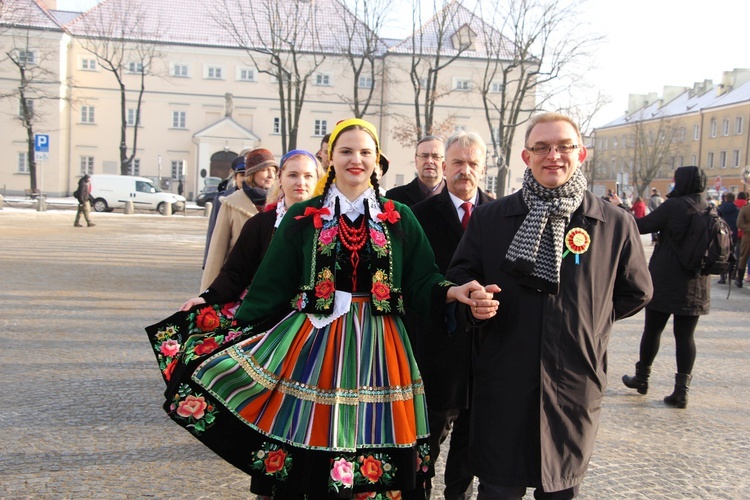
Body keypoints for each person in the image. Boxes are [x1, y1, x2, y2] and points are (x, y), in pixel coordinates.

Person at [147, 118, 498, 499]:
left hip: (381, 349)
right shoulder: (303, 217)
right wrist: (211, 302)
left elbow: (421, 280)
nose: (356, 160)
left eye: (365, 152)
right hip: (314, 348)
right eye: (346, 151)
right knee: (311, 439)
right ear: (332, 157)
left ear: (376, 160)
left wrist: (452, 292)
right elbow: (270, 284)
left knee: (371, 441)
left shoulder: (399, 217)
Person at [447, 112, 652, 499]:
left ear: (581, 153)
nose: (552, 155)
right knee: (499, 489)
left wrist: (589, 321)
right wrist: (471, 301)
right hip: (504, 378)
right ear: (527, 157)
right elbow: (458, 278)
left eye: (564, 146)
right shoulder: (491, 218)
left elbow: (637, 291)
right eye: (541, 147)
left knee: (560, 490)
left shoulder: (613, 222)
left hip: (572, 382)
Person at [410, 131, 493, 500]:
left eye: (473, 163)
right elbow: (411, 282)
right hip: (434, 350)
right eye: (457, 162)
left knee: (472, 442)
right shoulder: (419, 216)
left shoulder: (498, 215)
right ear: (444, 166)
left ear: (484, 169)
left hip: (483, 351)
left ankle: (457, 495)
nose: (465, 170)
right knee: (426, 439)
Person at [184, 150, 323, 310]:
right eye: (292, 175)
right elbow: (236, 272)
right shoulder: (260, 223)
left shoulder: (329, 224)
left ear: (318, 180)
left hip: (314, 315)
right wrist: (207, 298)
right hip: (268, 311)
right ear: (280, 179)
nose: (300, 182)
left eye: (308, 176)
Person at [622, 166, 710, 408]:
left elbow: (641, 226)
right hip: (697, 282)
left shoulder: (674, 206)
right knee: (685, 336)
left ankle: (642, 379)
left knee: (653, 329)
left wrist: (620, 213)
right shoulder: (709, 206)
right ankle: (681, 391)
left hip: (666, 278)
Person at [200, 148, 277, 291]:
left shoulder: (280, 203)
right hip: (237, 284)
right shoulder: (231, 203)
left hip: (270, 286)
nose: (271, 175)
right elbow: (217, 251)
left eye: (274, 170)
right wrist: (207, 294)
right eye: (265, 170)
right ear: (252, 172)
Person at [203, 155, 246, 268]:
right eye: (242, 175)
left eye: (249, 175)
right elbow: (213, 233)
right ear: (235, 177)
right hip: (228, 260)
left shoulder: (263, 199)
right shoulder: (223, 199)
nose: (245, 179)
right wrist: (208, 263)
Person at [386, 135, 446, 206]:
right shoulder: (394, 198)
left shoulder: (457, 197)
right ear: (416, 161)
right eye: (424, 156)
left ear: (445, 162)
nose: (429, 161)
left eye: (436, 156)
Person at [717, 192, 739, 284]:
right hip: (733, 234)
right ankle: (732, 273)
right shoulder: (737, 210)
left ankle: (722, 276)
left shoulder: (720, 209)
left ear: (725, 198)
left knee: (722, 253)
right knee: (732, 253)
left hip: (722, 234)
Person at [736, 198, 750, 288]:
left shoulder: (745, 209)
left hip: (747, 236)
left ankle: (740, 280)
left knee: (743, 258)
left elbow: (739, 223)